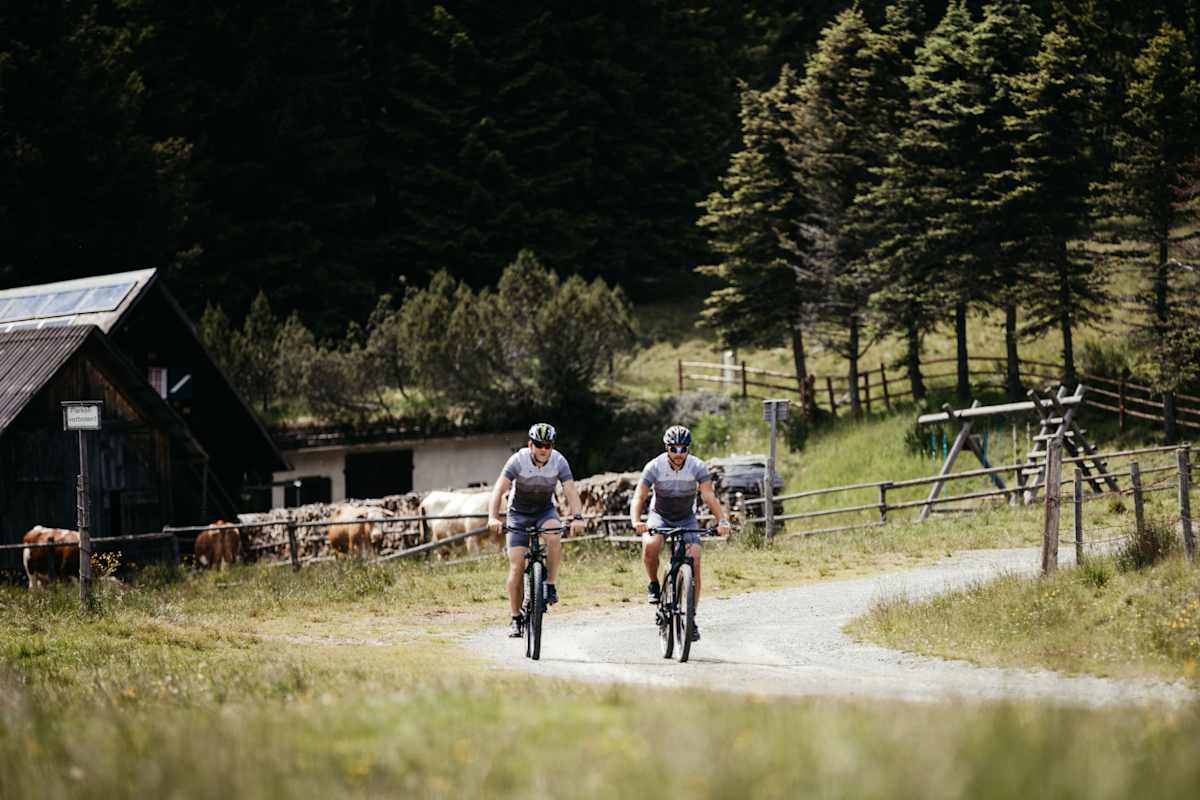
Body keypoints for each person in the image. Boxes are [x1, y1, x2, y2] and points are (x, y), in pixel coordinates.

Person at [629, 424, 728, 642]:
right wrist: (636, 520)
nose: (679, 454)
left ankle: (691, 618)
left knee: (695, 559)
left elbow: (709, 496)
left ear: (688, 450)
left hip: (686, 517)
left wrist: (722, 520)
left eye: (683, 449)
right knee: (652, 544)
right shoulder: (654, 467)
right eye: (674, 449)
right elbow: (639, 496)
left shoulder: (697, 467)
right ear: (667, 448)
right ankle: (654, 583)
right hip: (660, 515)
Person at [488, 422, 586, 638]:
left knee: (553, 535)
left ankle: (550, 584)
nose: (544, 449)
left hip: (545, 510)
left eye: (548, 445)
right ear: (531, 445)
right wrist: (493, 517)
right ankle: (515, 618)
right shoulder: (517, 460)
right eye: (540, 445)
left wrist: (577, 516)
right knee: (516, 566)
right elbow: (499, 488)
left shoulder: (559, 461)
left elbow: (570, 490)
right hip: (518, 513)